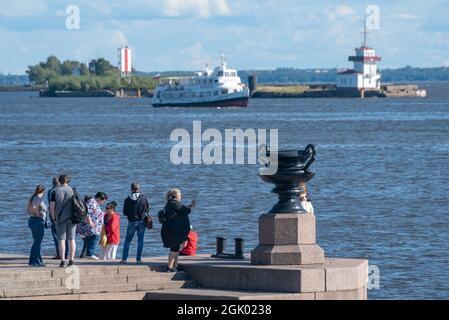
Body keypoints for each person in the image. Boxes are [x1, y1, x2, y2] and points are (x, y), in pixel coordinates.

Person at [161, 188, 195, 272]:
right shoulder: (175, 203)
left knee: (176, 248)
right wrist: (192, 207)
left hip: (171, 230)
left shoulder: (170, 203)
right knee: (174, 249)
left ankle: (175, 266)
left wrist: (189, 207)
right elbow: (185, 211)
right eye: (180, 195)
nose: (181, 196)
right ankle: (169, 267)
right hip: (174, 231)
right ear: (176, 196)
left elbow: (181, 210)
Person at [50, 174, 76, 268]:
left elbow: (52, 207)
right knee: (72, 239)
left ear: (59, 181)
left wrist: (53, 218)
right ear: (68, 181)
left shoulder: (55, 191)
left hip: (60, 218)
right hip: (72, 218)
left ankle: (62, 260)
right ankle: (71, 260)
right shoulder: (72, 190)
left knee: (61, 240)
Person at [121, 182, 149, 264]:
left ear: (131, 189)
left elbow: (125, 213)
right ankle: (138, 259)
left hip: (132, 222)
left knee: (127, 240)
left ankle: (124, 259)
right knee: (140, 240)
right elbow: (147, 209)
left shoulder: (127, 199)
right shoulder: (143, 198)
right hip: (142, 222)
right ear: (139, 188)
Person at [77, 192, 108, 260]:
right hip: (89, 226)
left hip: (92, 226)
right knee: (95, 237)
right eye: (102, 201)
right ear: (99, 198)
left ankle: (86, 255)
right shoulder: (92, 202)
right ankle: (90, 254)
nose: (102, 202)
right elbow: (86, 212)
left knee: (89, 241)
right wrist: (89, 221)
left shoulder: (94, 203)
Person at [47, 176, 68, 260]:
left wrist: (53, 216)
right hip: (65, 215)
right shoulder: (64, 190)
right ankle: (65, 253)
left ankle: (59, 253)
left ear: (52, 183)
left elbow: (51, 204)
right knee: (65, 235)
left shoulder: (51, 191)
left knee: (56, 235)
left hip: (54, 215)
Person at [27, 185, 48, 267]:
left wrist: (34, 213)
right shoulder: (38, 199)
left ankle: (32, 260)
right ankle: (37, 262)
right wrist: (38, 214)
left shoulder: (32, 197)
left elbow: (29, 209)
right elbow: (34, 207)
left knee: (36, 241)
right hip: (37, 221)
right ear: (43, 191)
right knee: (38, 242)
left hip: (32, 220)